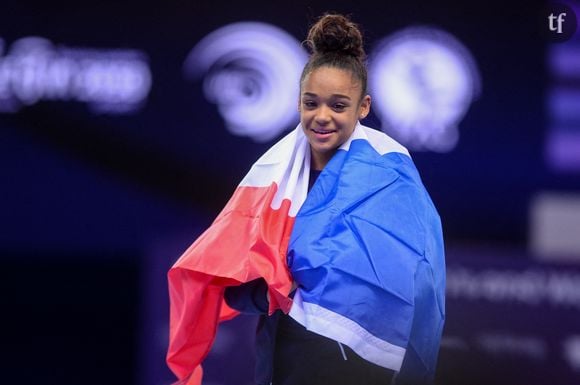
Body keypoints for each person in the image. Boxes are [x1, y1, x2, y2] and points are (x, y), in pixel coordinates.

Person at [166, 13, 445, 385]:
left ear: (363, 107)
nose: (322, 117)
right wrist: (275, 292)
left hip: (358, 367)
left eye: (338, 105)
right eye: (311, 103)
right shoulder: (274, 176)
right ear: (298, 102)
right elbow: (232, 284)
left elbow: (419, 276)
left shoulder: (390, 174)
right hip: (283, 362)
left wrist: (313, 276)